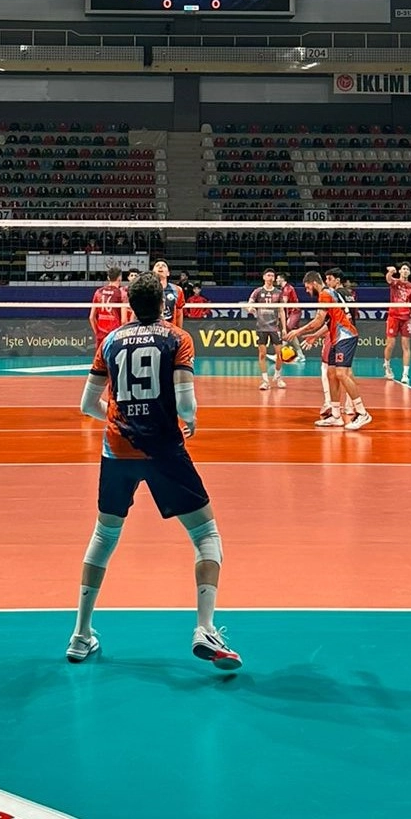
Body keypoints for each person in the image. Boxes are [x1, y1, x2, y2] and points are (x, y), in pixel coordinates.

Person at [69, 273, 241, 671]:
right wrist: (190, 420)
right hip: (164, 449)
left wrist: (120, 421)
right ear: (164, 304)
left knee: (104, 536)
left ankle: (80, 634)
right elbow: (186, 404)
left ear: (129, 305)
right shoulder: (177, 338)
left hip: (117, 449)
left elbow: (86, 405)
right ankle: (205, 628)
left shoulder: (110, 342)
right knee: (206, 536)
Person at [285, 269, 372, 430]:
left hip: (346, 336)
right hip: (336, 337)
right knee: (331, 374)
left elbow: (318, 321)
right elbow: (329, 322)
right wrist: (315, 336)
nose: (307, 291)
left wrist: (298, 331)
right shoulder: (331, 293)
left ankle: (362, 412)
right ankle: (336, 416)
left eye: (307, 287)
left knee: (341, 373)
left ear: (314, 283)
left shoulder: (325, 294)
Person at [245, 268, 289, 391]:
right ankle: (265, 381)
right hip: (261, 327)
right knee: (262, 354)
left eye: (272, 276)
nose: (270, 277)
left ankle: (278, 377)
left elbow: (281, 311)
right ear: (264, 277)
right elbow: (249, 305)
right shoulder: (257, 291)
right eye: (268, 275)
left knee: (280, 354)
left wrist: (284, 328)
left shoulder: (278, 292)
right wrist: (250, 309)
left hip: (275, 327)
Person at [383, 263, 411, 384]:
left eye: (407, 269)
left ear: (409, 273)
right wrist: (390, 271)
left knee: (406, 346)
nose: (405, 271)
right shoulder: (395, 282)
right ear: (400, 271)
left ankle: (405, 374)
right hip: (393, 317)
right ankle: (387, 365)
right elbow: (388, 279)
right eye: (403, 269)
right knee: (390, 344)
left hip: (406, 318)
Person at [89, 265, 129, 350]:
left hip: (101, 335)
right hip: (115, 335)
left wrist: (98, 333)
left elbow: (91, 317)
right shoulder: (122, 294)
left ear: (108, 277)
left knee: (100, 358)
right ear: (120, 278)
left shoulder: (98, 292)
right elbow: (124, 321)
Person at [151, 260, 186, 328]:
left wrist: (179, 331)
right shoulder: (145, 289)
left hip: (170, 330)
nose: (160, 267)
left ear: (168, 273)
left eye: (163, 266)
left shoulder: (177, 290)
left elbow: (179, 314)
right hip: (151, 330)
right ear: (152, 272)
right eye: (157, 265)